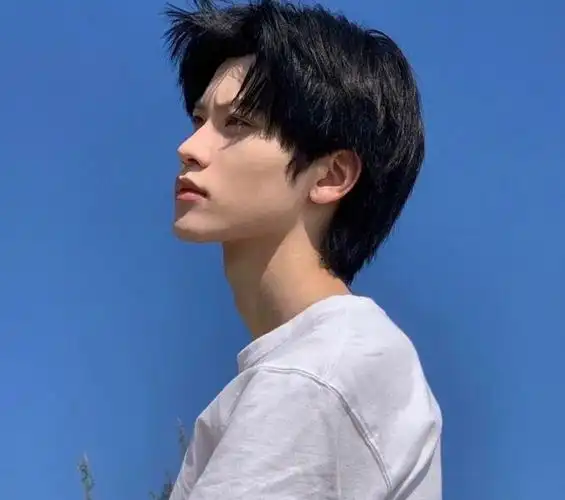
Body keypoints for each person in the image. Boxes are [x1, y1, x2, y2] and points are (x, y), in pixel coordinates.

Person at [165, 0, 442, 498]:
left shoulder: (318, 372)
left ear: (331, 175)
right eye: (199, 119)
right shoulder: (322, 362)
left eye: (237, 123)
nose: (190, 148)